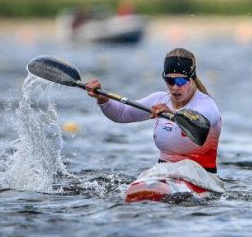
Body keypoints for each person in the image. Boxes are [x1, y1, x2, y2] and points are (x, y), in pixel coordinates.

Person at [84, 48, 221, 173]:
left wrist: (172, 112)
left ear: (192, 79)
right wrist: (103, 99)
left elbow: (201, 121)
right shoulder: (159, 99)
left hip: (201, 175)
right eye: (169, 80)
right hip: (163, 173)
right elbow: (122, 114)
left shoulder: (206, 104)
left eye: (180, 81)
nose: (174, 87)